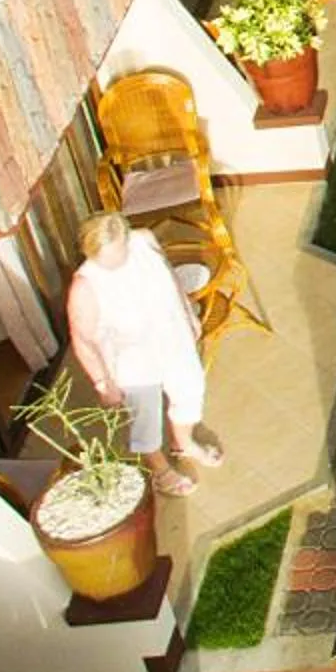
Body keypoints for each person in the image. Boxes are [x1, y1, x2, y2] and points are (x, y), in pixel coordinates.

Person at [65, 212, 221, 497]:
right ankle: (162, 471)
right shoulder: (85, 285)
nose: (109, 263)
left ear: (125, 239)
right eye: (102, 257)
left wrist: (188, 313)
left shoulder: (143, 242)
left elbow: (170, 277)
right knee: (145, 420)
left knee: (190, 393)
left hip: (173, 339)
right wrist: (102, 382)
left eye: (114, 254)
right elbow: (83, 340)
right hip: (132, 361)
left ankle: (184, 443)